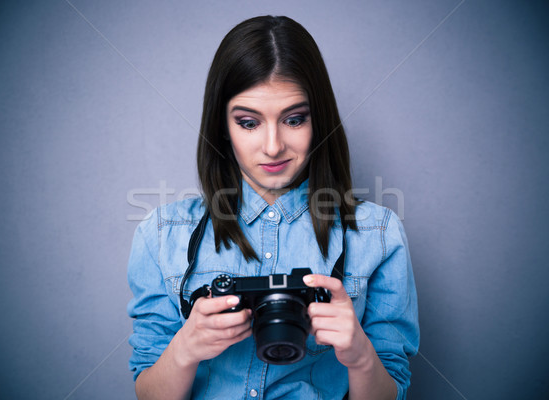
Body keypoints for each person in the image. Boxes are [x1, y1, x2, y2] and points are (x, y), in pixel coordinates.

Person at [127, 15, 419, 400]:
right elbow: (147, 393)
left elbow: (391, 388)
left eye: (294, 119)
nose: (273, 146)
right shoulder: (162, 233)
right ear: (222, 127)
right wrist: (186, 348)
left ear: (320, 119)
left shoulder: (378, 235)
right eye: (248, 123)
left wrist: (361, 356)